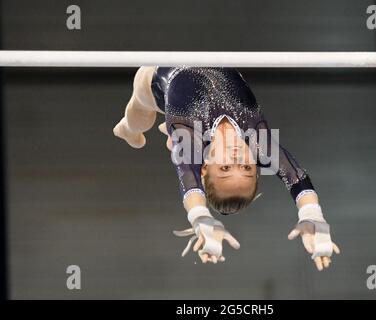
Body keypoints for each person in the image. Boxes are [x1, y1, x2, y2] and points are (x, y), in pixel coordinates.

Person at [113, 66, 340, 269]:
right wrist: (312, 214)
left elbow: (188, 179)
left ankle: (127, 130)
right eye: (246, 167)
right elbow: (296, 178)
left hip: (158, 79)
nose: (236, 158)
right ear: (257, 163)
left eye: (225, 168)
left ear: (204, 167)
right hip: (206, 76)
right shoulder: (258, 141)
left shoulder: (188, 135)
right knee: (180, 143)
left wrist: (200, 216)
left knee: (139, 119)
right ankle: (170, 138)